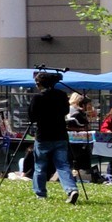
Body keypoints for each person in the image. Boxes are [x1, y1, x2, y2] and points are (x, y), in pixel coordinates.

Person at [27, 71, 80, 203]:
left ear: (39, 84)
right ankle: (71, 189)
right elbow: (66, 111)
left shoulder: (37, 98)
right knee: (63, 165)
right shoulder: (61, 95)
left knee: (40, 166)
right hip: (60, 135)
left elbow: (32, 117)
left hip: (43, 136)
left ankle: (40, 194)